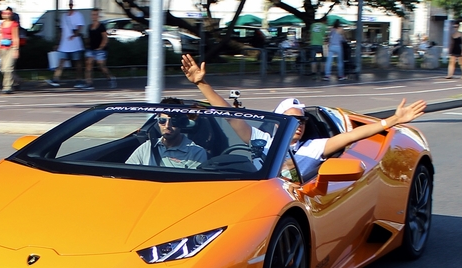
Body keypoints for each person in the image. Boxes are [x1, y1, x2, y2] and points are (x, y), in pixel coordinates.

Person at [180, 54, 427, 180]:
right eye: (291, 120)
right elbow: (231, 116)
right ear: (278, 123)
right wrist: (202, 84)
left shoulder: (314, 147)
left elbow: (351, 135)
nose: (298, 125)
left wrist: (391, 121)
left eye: (302, 121)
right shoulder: (262, 139)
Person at [126, 97, 207, 169]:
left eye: (173, 121)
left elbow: (194, 183)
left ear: (182, 123)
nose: (167, 126)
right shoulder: (147, 147)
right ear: (157, 122)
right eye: (162, 121)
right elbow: (127, 172)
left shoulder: (196, 152)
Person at [46, 0, 85, 88]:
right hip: (64, 43)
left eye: (71, 4)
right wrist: (58, 43)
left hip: (75, 43)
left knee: (77, 62)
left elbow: (80, 27)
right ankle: (56, 78)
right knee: (61, 61)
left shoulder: (78, 15)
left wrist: (74, 35)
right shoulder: (64, 16)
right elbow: (62, 30)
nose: (70, 6)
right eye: (69, 4)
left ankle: (79, 80)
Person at [82, 8, 116, 90]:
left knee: (101, 65)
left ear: (98, 16)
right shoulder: (89, 27)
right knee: (88, 64)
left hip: (100, 50)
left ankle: (110, 78)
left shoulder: (101, 26)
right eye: (92, 15)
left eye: (95, 15)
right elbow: (89, 38)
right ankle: (89, 82)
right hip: (91, 49)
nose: (94, 16)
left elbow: (105, 38)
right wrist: (86, 45)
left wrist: (101, 47)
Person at [0, 8, 20, 94]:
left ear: (11, 14)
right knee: (3, 69)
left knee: (8, 68)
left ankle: (7, 87)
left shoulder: (14, 24)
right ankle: (17, 81)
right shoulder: (0, 24)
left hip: (11, 48)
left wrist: (16, 49)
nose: (6, 15)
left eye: (8, 13)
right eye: (4, 13)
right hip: (2, 48)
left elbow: (16, 37)